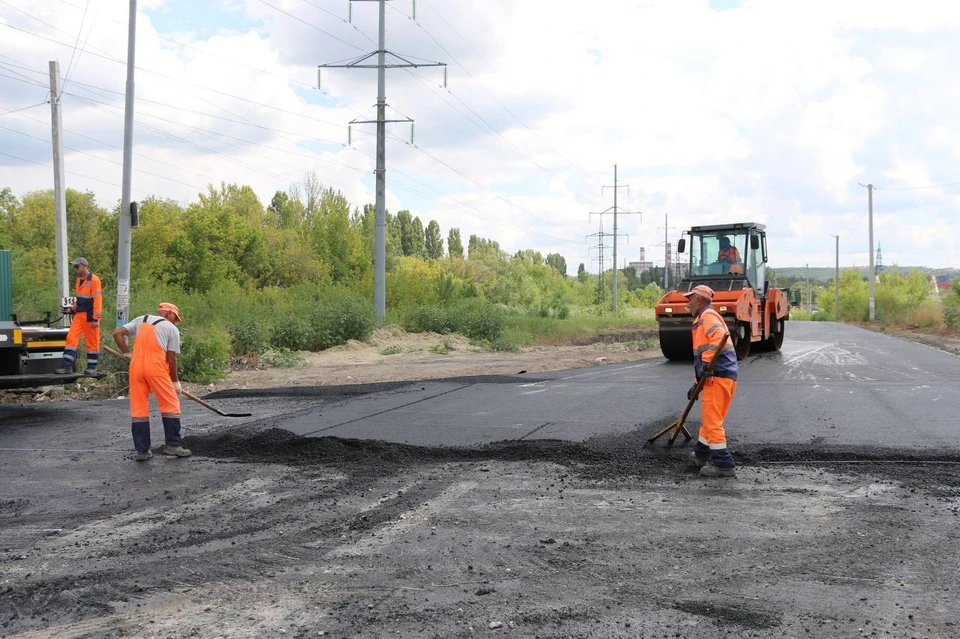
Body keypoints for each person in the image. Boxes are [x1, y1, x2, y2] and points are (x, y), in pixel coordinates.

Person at [112, 302, 192, 461]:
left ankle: (142, 450)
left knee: (139, 409)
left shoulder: (141, 319)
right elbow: (171, 358)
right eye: (175, 318)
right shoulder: (171, 329)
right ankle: (173, 445)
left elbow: (117, 333)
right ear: (169, 314)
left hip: (136, 368)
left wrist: (127, 353)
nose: (175, 321)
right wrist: (175, 382)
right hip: (156, 368)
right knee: (170, 404)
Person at [683, 284, 738, 478]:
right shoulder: (703, 318)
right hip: (720, 376)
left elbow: (718, 339)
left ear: (698, 300)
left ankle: (723, 464)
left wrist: (707, 365)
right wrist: (697, 382)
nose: (687, 303)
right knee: (709, 420)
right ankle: (701, 455)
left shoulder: (707, 316)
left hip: (718, 376)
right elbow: (703, 355)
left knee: (712, 423)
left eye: (690, 299)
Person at [55, 257, 103, 375]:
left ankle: (92, 367)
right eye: (75, 266)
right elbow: (80, 298)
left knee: (92, 342)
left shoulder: (94, 280)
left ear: (84, 265)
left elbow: (97, 300)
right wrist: (74, 308)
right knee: (71, 338)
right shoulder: (78, 280)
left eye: (77, 266)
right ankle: (67, 366)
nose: (76, 269)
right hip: (79, 315)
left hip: (90, 315)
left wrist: (96, 318)